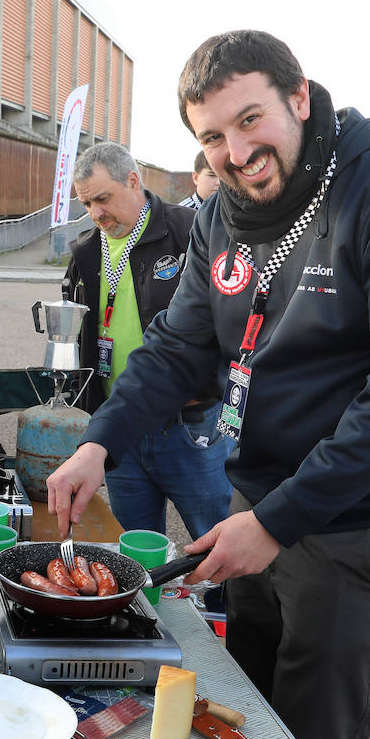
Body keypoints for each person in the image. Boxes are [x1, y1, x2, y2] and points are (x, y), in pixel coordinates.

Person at [46, 30, 370, 739]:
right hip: (262, 502)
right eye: (212, 137)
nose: (236, 153)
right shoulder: (220, 213)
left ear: (300, 97)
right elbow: (179, 348)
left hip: (360, 519)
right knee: (246, 719)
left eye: (251, 121)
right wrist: (98, 442)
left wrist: (275, 521)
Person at [63, 140, 231, 544]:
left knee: (219, 545)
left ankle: (227, 610)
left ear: (133, 180)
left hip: (188, 424)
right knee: (136, 551)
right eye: (87, 204)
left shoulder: (189, 231)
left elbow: (229, 319)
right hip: (120, 428)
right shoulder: (86, 250)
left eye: (103, 198)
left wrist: (206, 388)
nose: (96, 213)